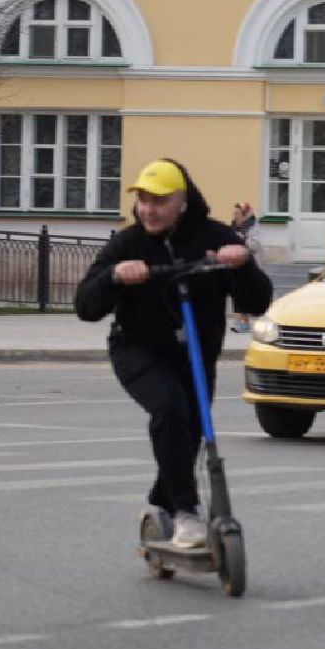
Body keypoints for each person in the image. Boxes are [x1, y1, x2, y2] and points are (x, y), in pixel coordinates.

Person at [75, 159, 273, 547]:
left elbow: (257, 299)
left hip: (197, 354)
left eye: (160, 201)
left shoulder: (215, 237)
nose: (149, 209)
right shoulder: (127, 243)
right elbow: (85, 305)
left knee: (192, 432)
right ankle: (186, 513)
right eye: (144, 200)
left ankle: (159, 504)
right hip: (139, 349)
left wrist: (243, 265)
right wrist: (115, 277)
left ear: (182, 201)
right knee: (169, 411)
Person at [229, 202, 261, 333]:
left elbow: (254, 245)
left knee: (245, 293)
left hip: (250, 265)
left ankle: (245, 322)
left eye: (237, 214)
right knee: (237, 292)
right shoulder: (234, 227)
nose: (235, 216)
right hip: (236, 264)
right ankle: (242, 320)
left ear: (245, 215)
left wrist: (241, 239)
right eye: (234, 214)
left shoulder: (253, 227)